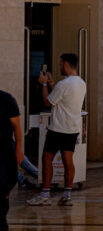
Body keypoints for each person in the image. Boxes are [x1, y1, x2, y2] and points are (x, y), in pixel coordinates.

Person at [28, 53, 86, 207]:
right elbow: (60, 97)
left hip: (58, 128)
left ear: (66, 64)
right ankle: (67, 195)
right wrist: (52, 82)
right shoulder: (81, 83)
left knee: (47, 159)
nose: (59, 67)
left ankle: (45, 194)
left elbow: (48, 101)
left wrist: (44, 85)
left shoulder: (64, 84)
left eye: (61, 64)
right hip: (72, 128)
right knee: (68, 161)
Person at [0, 89, 23, 231]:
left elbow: (17, 126)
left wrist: (19, 149)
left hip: (4, 150)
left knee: (5, 183)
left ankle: (1, 220)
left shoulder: (7, 99)